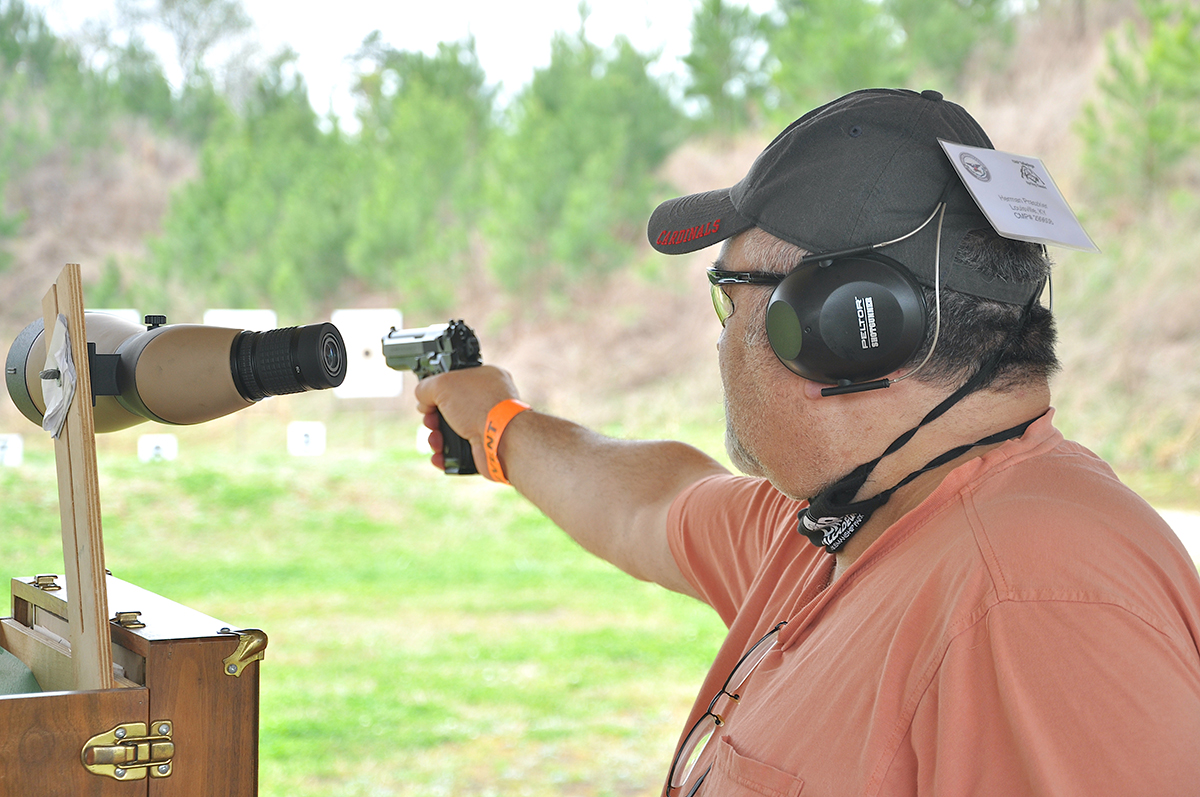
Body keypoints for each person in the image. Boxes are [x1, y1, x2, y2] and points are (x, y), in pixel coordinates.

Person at [413, 88, 1200, 795]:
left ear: (839, 324)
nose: (721, 340)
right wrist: (499, 424)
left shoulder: (1029, 602)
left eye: (730, 293)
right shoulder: (856, 521)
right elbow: (652, 502)